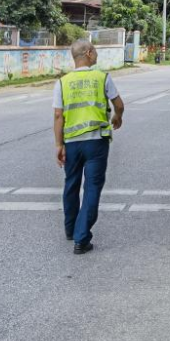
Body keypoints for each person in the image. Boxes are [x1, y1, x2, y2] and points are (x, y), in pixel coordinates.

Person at [52, 39, 124, 254]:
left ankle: (70, 229)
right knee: (92, 187)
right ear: (89, 53)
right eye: (96, 51)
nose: (97, 55)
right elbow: (119, 104)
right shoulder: (102, 77)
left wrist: (58, 144)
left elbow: (58, 115)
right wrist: (117, 117)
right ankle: (81, 238)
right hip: (96, 143)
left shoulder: (62, 82)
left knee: (71, 184)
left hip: (72, 143)